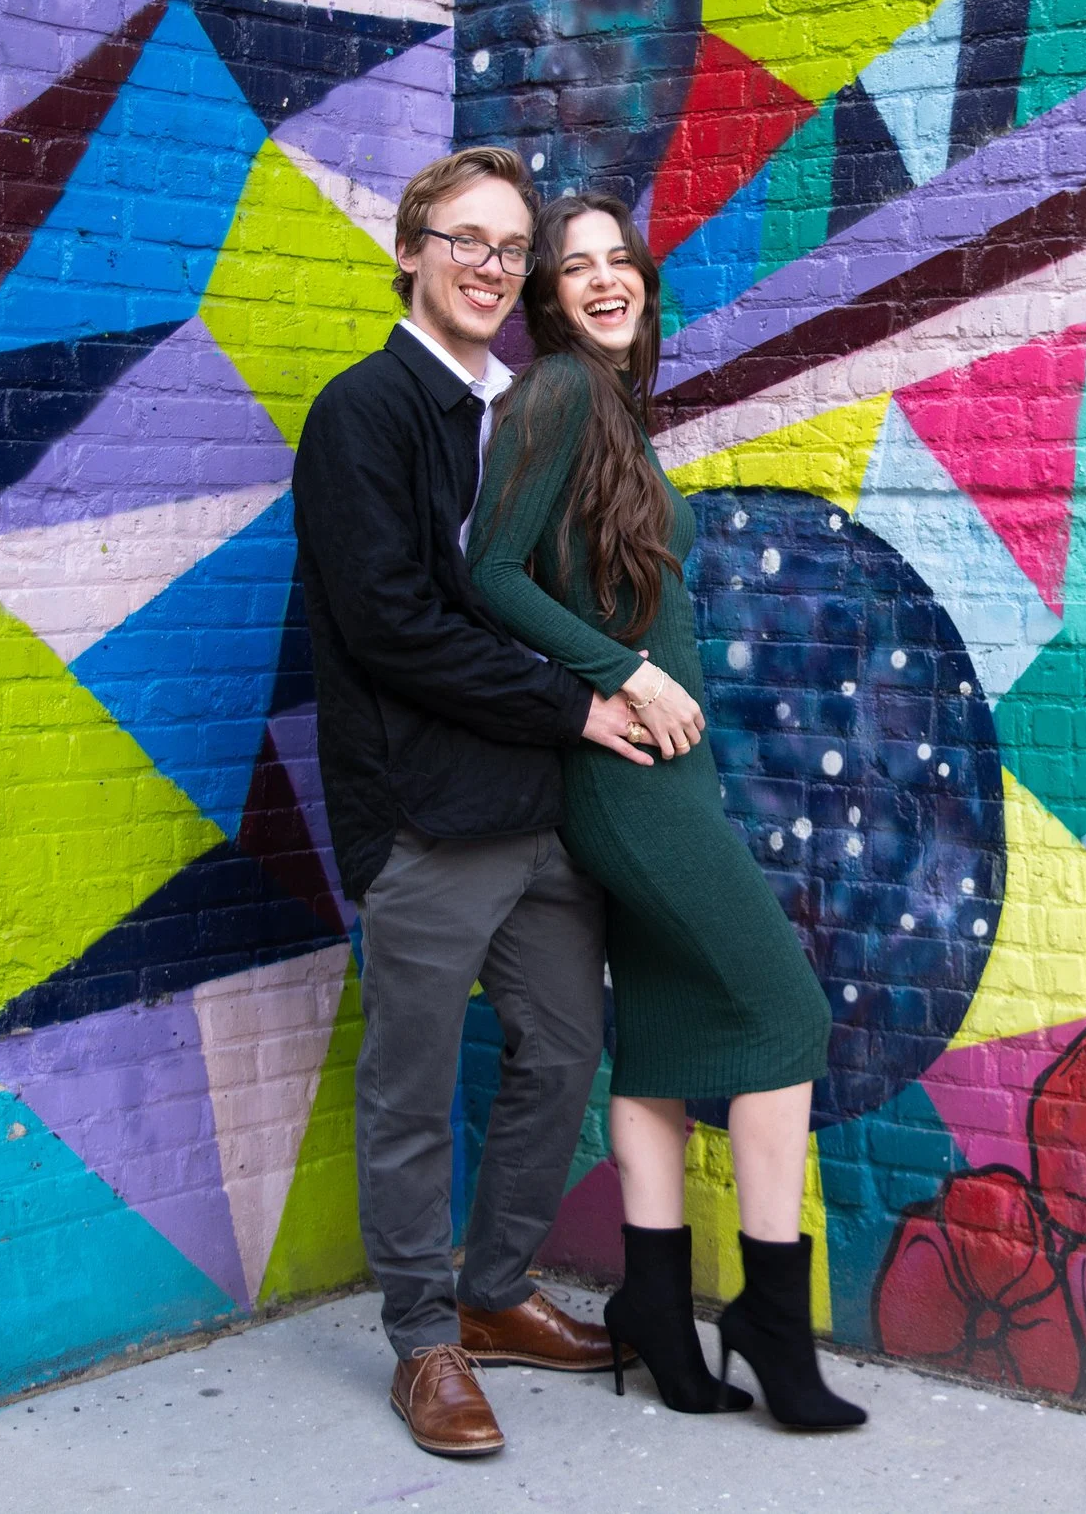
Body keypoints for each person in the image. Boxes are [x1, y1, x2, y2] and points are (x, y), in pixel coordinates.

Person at [466, 192, 866, 1430]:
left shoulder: (612, 408)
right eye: (571, 266)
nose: (599, 279)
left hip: (660, 764)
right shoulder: (560, 394)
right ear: (546, 298)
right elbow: (486, 571)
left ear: (643, 279)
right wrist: (622, 671)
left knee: (663, 1031)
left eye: (615, 261)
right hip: (624, 766)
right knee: (784, 1010)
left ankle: (651, 1303)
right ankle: (766, 1318)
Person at [291, 149, 658, 1458]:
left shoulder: (522, 407)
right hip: (426, 819)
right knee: (411, 1080)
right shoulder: (363, 414)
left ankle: (497, 1288)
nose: (493, 265)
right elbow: (393, 626)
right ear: (411, 249)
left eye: (513, 248)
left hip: (536, 811)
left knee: (562, 1048)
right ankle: (423, 1335)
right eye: (468, 239)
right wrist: (577, 702)